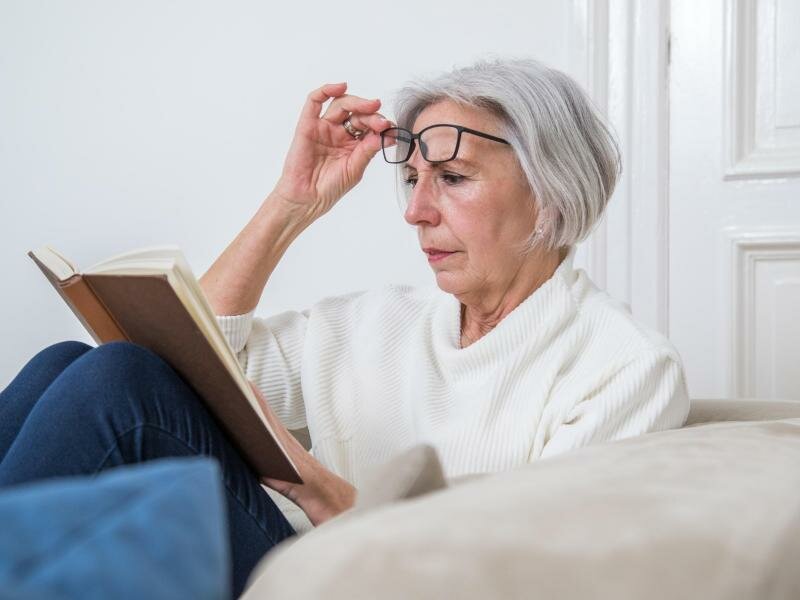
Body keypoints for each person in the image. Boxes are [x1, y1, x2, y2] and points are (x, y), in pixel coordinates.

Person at [0, 57, 689, 598]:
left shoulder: (622, 367)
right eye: (413, 178)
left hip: (383, 588)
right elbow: (182, 359)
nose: (416, 212)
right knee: (69, 360)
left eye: (452, 178)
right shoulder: (379, 320)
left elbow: (536, 577)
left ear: (553, 189)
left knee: (121, 377)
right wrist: (290, 206)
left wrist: (330, 497)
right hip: (303, 565)